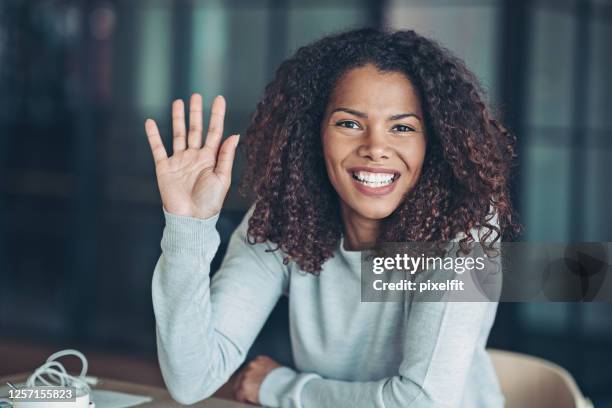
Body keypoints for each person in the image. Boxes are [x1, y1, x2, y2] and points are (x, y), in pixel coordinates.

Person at [144, 28, 520, 407]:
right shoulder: (285, 218)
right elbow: (191, 380)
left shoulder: (464, 235)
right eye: (349, 123)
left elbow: (424, 403)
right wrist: (188, 228)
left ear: (433, 143)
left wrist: (280, 388)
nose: (375, 148)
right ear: (314, 132)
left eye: (402, 127)